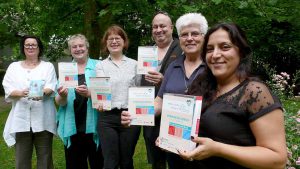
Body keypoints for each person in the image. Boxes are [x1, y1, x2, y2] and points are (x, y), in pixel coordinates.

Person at [178, 23, 287, 168]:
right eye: (210, 49)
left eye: (225, 47)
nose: (215, 55)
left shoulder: (254, 93)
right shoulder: (201, 85)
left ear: (240, 52)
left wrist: (218, 149)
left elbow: (277, 159)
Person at [122, 13, 208, 169]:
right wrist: (136, 114)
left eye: (195, 34)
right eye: (185, 35)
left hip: (204, 138)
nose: (189, 38)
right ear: (180, 38)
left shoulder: (212, 65)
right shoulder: (173, 67)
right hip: (174, 134)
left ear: (204, 36)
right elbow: (159, 101)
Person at [2, 35, 57, 169]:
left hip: (43, 119)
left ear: (39, 48)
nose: (30, 47)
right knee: (22, 160)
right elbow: (8, 88)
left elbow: (51, 86)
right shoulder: (14, 67)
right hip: (21, 120)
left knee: (45, 159)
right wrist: (21, 93)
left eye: (34, 45)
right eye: (27, 45)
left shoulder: (47, 66)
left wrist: (41, 92)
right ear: (23, 48)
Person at [96, 25, 141, 169]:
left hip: (129, 116)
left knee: (126, 160)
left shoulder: (135, 64)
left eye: (117, 38)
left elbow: (140, 90)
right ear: (106, 43)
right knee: (110, 161)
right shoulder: (100, 65)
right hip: (107, 118)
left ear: (124, 42)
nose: (114, 41)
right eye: (110, 39)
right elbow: (99, 89)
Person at [55, 34, 103, 169]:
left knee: (98, 162)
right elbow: (59, 102)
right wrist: (62, 96)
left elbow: (106, 95)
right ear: (70, 50)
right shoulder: (66, 69)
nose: (78, 49)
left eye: (81, 45)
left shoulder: (99, 66)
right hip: (72, 124)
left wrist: (90, 93)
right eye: (74, 47)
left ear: (87, 48)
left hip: (95, 123)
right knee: (75, 164)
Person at [141, 11, 182, 169]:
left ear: (171, 28)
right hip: (150, 113)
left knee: (176, 157)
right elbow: (140, 81)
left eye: (163, 26)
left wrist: (164, 80)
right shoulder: (147, 52)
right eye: (155, 27)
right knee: (156, 157)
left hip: (175, 113)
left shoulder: (182, 48)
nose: (159, 30)